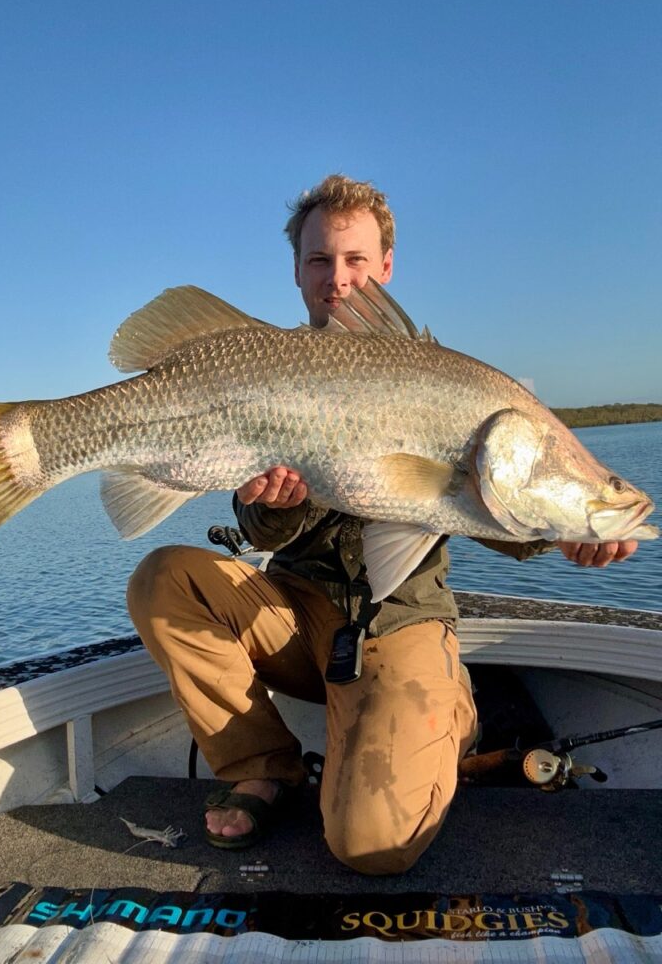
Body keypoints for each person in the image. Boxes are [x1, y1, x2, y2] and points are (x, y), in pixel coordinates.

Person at [126, 174, 638, 875]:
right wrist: (273, 506)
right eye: (319, 260)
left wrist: (566, 527)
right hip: (296, 616)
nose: (337, 278)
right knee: (164, 579)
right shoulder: (259, 367)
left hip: (399, 624)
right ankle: (261, 767)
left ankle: (449, 712)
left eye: (355, 259)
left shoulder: (450, 383)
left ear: (386, 266)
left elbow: (500, 512)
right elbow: (260, 529)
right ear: (297, 269)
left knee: (372, 847)